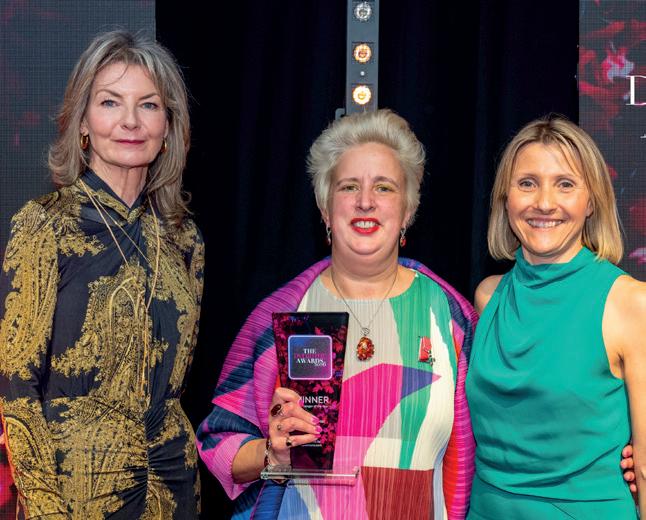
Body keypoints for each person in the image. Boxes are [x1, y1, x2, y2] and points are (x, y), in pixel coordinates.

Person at [197, 109, 477, 519]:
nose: (365, 201)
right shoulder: (281, 314)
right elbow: (217, 442)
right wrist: (273, 453)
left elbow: (489, 450)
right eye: (349, 186)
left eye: (384, 187)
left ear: (408, 211)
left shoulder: (449, 316)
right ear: (326, 209)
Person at [0, 30, 203, 518]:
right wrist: (45, 509)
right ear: (83, 123)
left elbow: (176, 384)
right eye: (111, 102)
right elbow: (17, 391)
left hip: (174, 486)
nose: (130, 121)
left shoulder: (184, 238)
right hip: (74, 494)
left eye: (148, 105)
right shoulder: (45, 224)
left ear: (168, 126)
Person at [466, 116, 644, 518]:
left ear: (591, 201)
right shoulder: (488, 298)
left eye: (565, 184)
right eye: (527, 183)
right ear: (505, 199)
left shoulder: (631, 303)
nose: (544, 203)